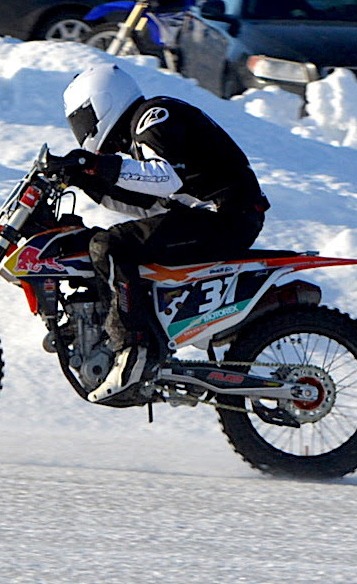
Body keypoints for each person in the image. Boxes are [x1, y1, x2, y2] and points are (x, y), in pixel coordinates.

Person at [51, 64, 268, 402]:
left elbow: (165, 178)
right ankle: (141, 336)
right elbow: (152, 205)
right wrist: (84, 179)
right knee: (116, 241)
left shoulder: (153, 116)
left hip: (226, 216)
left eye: (82, 119)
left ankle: (131, 347)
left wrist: (95, 165)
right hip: (220, 216)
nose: (82, 130)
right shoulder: (144, 133)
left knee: (109, 245)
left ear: (100, 103)